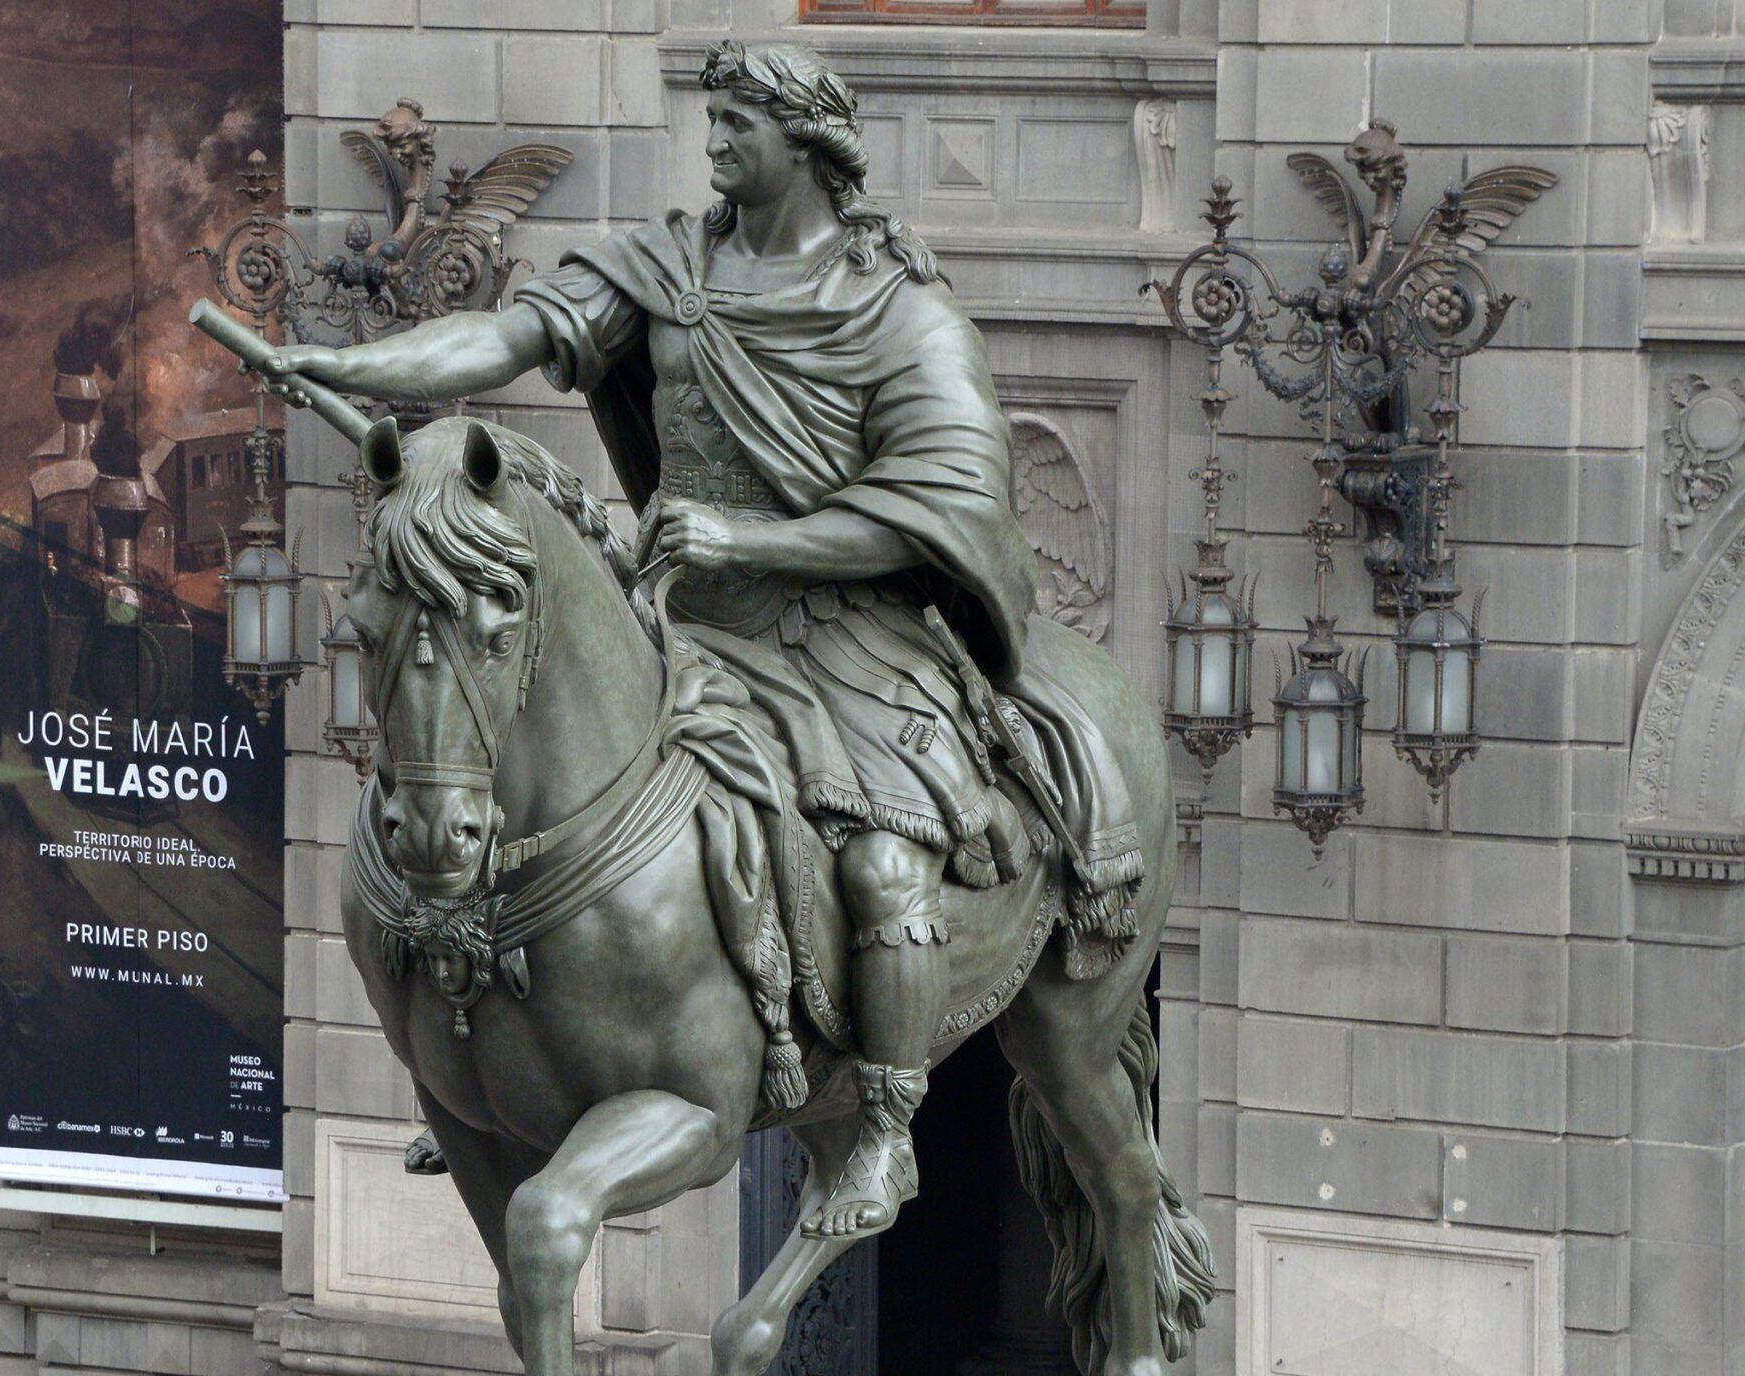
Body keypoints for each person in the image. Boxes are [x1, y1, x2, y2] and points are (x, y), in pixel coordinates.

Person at [265, 40, 1136, 1243]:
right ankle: (493, 1065)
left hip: (843, 633)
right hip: (674, 615)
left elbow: (941, 502)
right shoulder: (670, 269)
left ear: (807, 144)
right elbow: (506, 338)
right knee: (510, 767)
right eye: (711, 116)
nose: (713, 140)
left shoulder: (899, 313)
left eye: (737, 121)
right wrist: (350, 360)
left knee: (885, 857)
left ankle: (882, 1124)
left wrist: (745, 536)